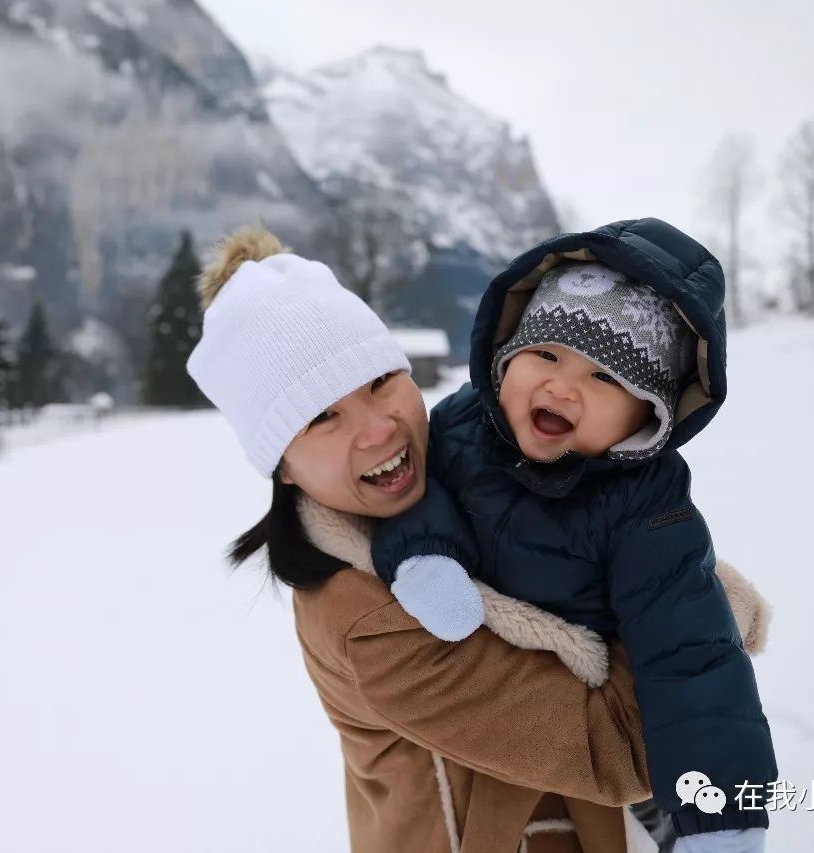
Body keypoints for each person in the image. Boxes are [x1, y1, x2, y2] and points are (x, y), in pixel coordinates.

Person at [187, 226, 770, 852]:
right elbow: (620, 749)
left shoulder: (472, 457)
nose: (378, 430)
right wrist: (700, 610)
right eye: (323, 417)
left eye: (381, 382)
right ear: (281, 463)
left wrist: (667, 569)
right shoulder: (369, 623)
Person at [369, 219, 778, 852]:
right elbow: (414, 493)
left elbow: (689, 654)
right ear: (506, 357)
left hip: (599, 695)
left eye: (606, 378)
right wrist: (425, 556)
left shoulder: (646, 503)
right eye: (547, 355)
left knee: (641, 811)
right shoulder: (459, 425)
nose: (562, 386)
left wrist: (722, 809)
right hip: (492, 707)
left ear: (649, 417)